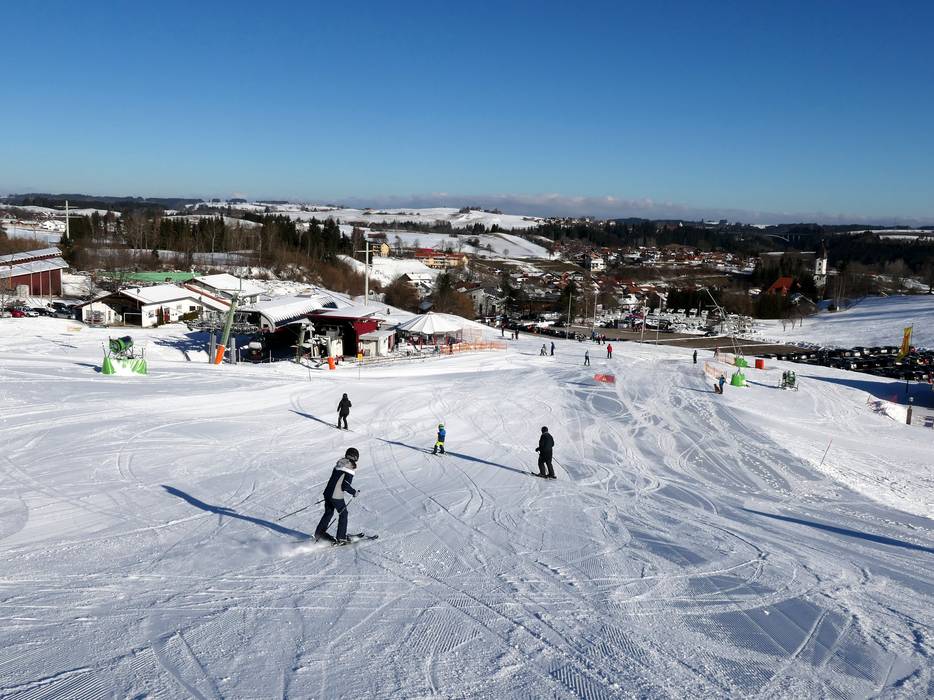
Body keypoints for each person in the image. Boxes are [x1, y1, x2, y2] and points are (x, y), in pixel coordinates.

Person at [315, 447, 360, 544]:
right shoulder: (350, 467)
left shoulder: (340, 464)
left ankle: (319, 533)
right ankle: (341, 537)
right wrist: (354, 492)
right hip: (336, 495)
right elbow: (345, 486)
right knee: (343, 513)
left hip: (328, 493)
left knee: (328, 513)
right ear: (355, 457)